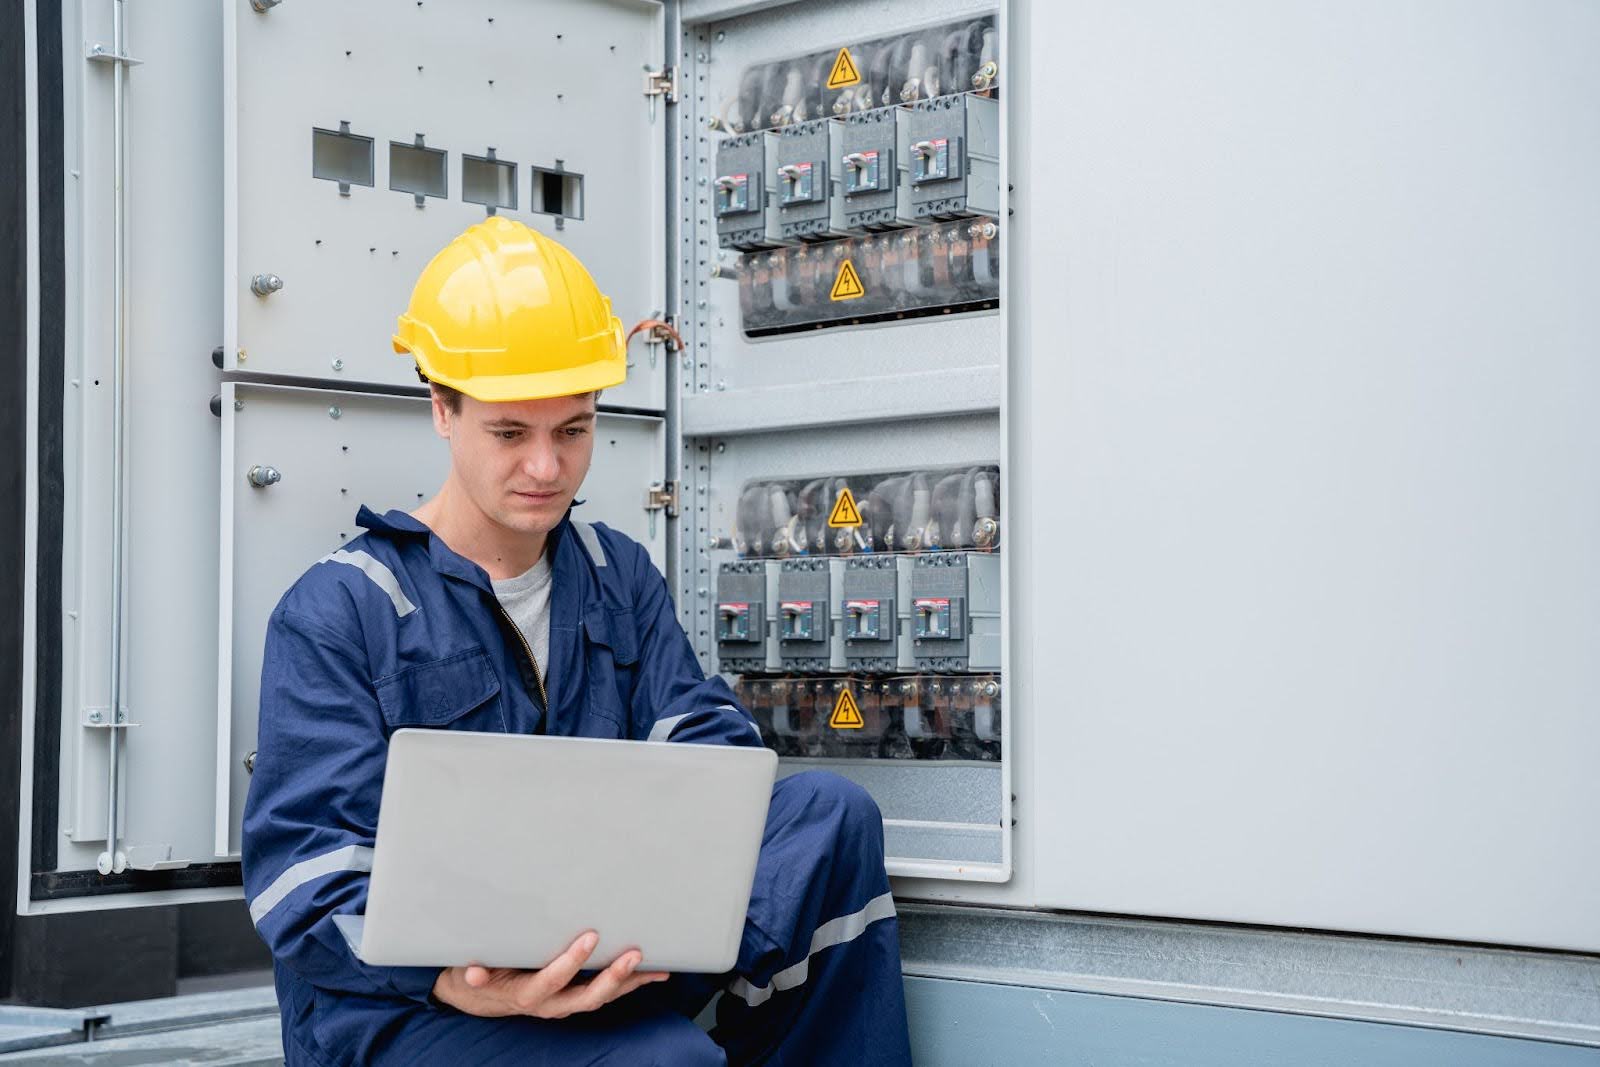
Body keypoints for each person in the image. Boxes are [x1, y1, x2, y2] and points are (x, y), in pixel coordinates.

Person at [240, 217, 913, 1066]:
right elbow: (302, 877)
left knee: (829, 817)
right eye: (510, 434)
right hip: (411, 1011)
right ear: (441, 408)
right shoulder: (342, 610)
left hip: (602, 950)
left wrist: (678, 895)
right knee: (668, 1062)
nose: (548, 469)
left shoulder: (614, 573)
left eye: (574, 429)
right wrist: (460, 977)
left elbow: (700, 743)